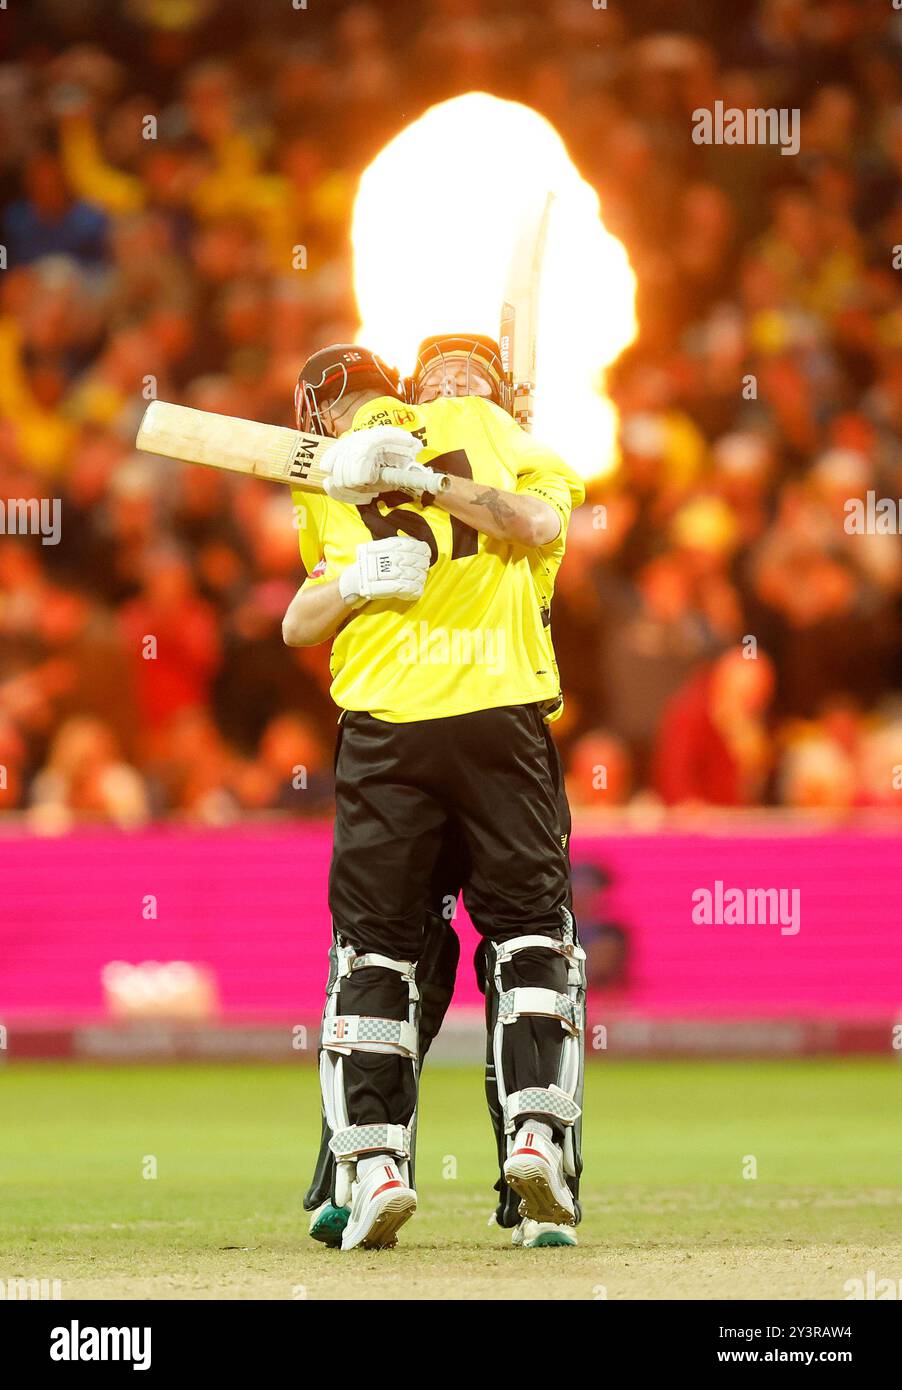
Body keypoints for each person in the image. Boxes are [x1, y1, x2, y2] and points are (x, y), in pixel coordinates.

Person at [283, 338, 585, 1251]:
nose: (456, 387)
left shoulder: (407, 452)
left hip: (412, 726)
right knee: (466, 944)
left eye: (469, 374)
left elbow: (530, 525)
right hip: (474, 723)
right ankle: (377, 1170)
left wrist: (418, 479)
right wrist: (353, 579)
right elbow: (299, 619)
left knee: (398, 951)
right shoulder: (480, 441)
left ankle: (468, 1158)